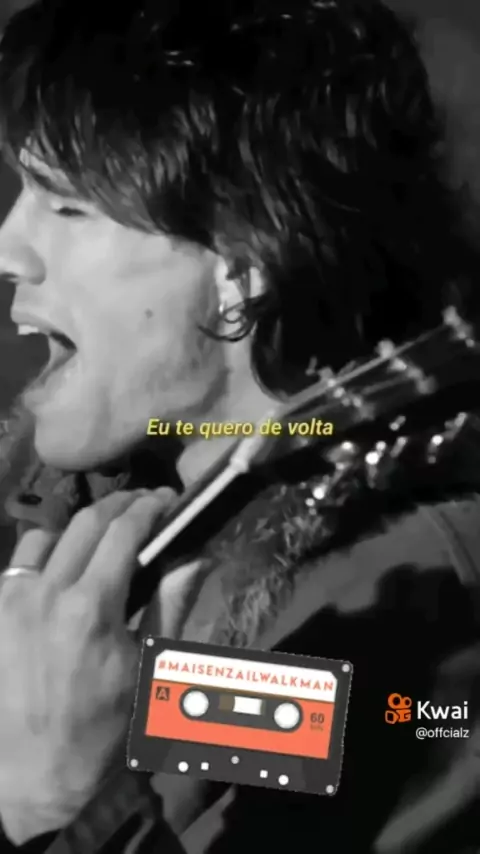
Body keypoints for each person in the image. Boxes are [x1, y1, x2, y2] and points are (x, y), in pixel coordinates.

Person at [0, 0, 479, 852]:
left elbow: (351, 728)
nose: (8, 248)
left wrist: (62, 802)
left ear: (243, 265)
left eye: (68, 208)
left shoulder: (406, 611)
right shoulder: (101, 511)